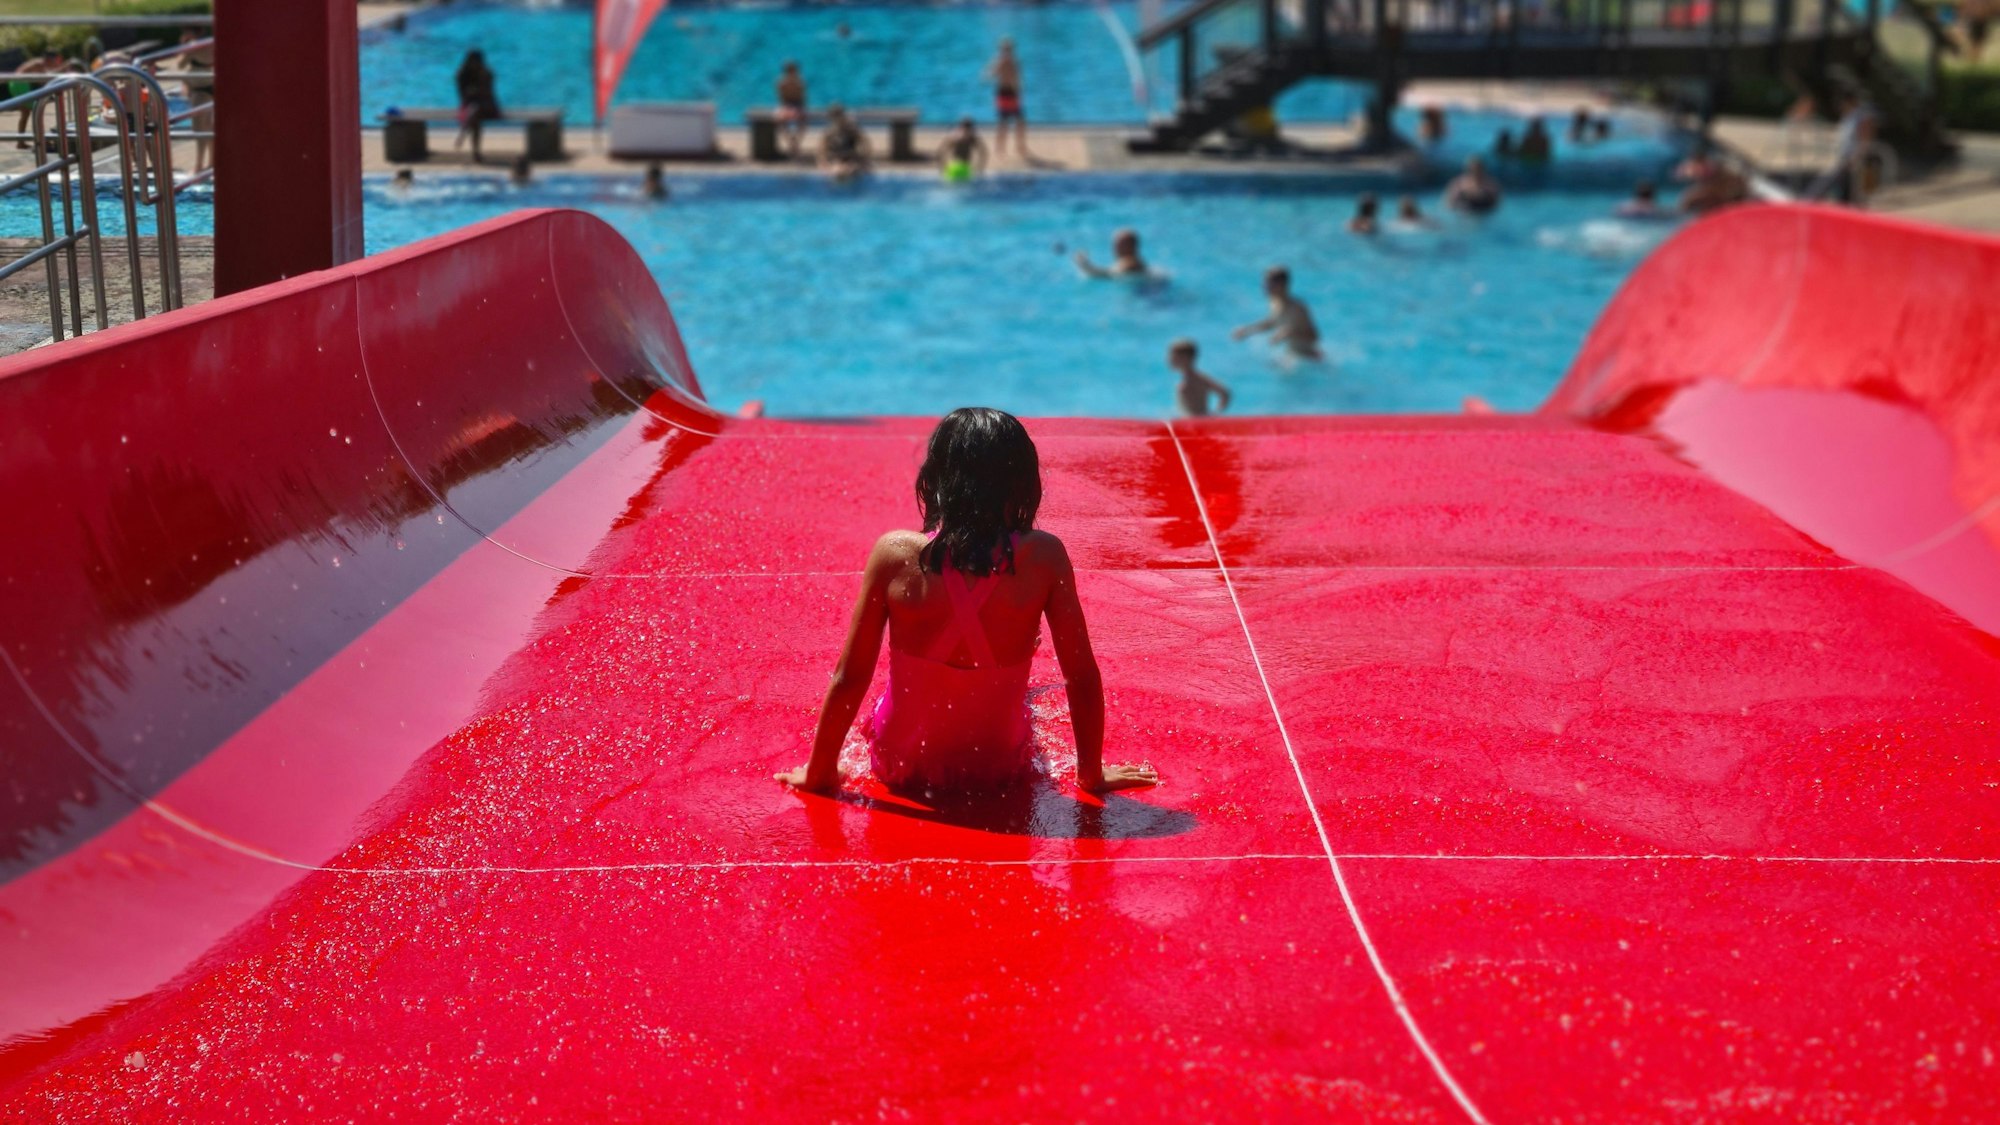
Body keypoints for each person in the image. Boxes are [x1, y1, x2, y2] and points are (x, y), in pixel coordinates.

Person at [775, 408, 1159, 795]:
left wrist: (819, 772)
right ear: (1023, 484)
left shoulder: (894, 555)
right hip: (999, 766)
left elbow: (850, 676)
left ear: (935, 481)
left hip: (900, 762)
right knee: (1028, 690)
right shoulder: (1044, 557)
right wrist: (1091, 774)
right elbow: (1080, 675)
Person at [1233, 266, 1321, 360]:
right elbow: (1272, 322)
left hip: (1310, 358)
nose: (1265, 287)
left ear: (1281, 285)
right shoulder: (1275, 303)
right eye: (1265, 283)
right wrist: (1248, 330)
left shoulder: (1297, 308)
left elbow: (1314, 336)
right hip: (1293, 355)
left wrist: (1289, 333)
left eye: (1269, 283)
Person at [1812, 92, 1877, 204]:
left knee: (1860, 189)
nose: (1841, 107)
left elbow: (1865, 138)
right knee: (1844, 188)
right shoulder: (1847, 118)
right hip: (1844, 157)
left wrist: (1858, 155)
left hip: (1856, 158)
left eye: (1843, 104)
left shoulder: (1862, 116)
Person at [176, 31, 214, 172]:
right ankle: (212, 162)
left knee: (199, 129)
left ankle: (198, 165)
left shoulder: (194, 47)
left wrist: (183, 47)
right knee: (208, 127)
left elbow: (180, 65)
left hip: (199, 89)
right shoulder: (211, 43)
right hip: (211, 84)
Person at [454, 49, 501, 163]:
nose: (474, 64)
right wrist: (472, 94)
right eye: (472, 62)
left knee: (475, 111)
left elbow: (489, 94)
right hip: (470, 108)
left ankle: (463, 132)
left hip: (488, 106)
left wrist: (480, 84)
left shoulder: (486, 73)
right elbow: (462, 96)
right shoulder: (462, 75)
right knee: (475, 116)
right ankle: (476, 152)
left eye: (476, 62)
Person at [985, 37, 1028, 159]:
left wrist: (1019, 91)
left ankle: (1017, 146)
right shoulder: (1002, 61)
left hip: (1010, 93)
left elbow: (1017, 79)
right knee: (1006, 122)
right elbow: (990, 75)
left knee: (1018, 121)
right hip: (1005, 93)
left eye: (1009, 49)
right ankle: (1002, 148)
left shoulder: (1011, 61)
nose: (1008, 51)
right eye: (1006, 49)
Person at [11, 49, 64, 149]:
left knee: (26, 114)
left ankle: (21, 142)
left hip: (16, 83)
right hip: (20, 84)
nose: (56, 63)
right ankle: (41, 141)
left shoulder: (39, 63)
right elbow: (42, 82)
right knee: (37, 112)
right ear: (50, 59)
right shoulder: (40, 64)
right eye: (55, 60)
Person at [1168, 339, 1231, 418]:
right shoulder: (1188, 378)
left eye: (1173, 356)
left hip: (1198, 423)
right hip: (1190, 422)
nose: (1169, 359)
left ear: (1185, 358)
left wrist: (1215, 414)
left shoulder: (1198, 378)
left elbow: (1225, 393)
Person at [818, 103, 872, 181]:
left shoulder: (851, 129)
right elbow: (822, 148)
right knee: (837, 171)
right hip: (836, 159)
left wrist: (863, 160)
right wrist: (823, 162)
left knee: (849, 170)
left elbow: (865, 143)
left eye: (837, 116)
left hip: (850, 159)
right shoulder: (830, 131)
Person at [1073, 228, 1150, 278]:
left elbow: (1107, 275)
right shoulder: (1139, 262)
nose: (1114, 249)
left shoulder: (1128, 263)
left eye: (1117, 245)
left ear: (1128, 247)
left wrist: (1084, 264)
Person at [936, 116, 988, 183]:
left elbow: (941, 151)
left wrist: (942, 167)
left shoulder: (953, 136)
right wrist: (980, 168)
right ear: (972, 127)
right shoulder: (973, 138)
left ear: (960, 126)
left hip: (953, 168)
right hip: (965, 168)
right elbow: (983, 152)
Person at [775, 61, 807, 158]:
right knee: (780, 120)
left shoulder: (800, 83)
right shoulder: (781, 83)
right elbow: (782, 99)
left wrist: (797, 109)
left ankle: (795, 142)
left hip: (797, 104)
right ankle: (791, 142)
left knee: (802, 120)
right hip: (787, 105)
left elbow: (802, 99)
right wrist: (787, 109)